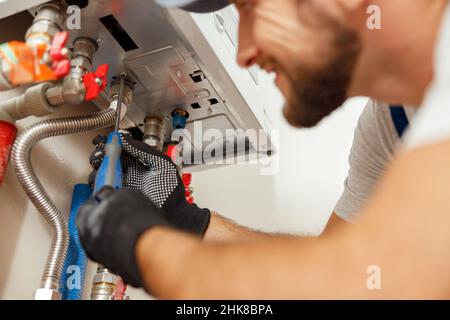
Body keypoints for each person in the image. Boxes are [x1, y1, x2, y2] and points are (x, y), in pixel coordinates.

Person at [77, 0, 450, 298]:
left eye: (249, 8)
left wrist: (141, 244)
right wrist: (183, 222)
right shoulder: (390, 126)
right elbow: (327, 282)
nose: (244, 52)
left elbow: (376, 283)